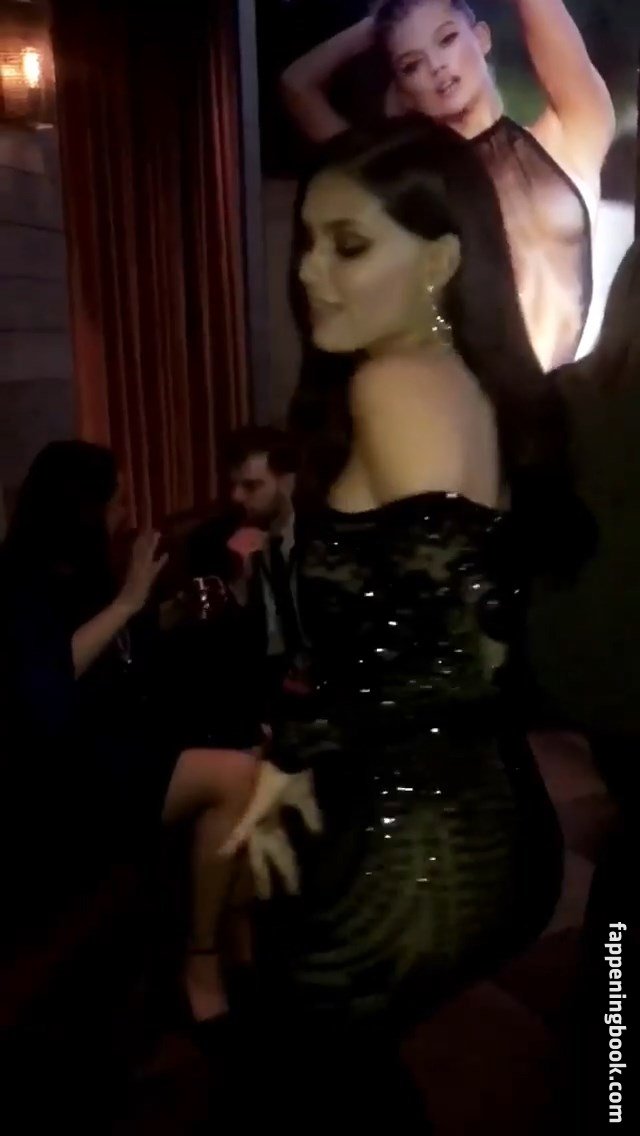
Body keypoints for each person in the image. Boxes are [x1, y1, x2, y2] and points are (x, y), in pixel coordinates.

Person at [219, 118, 590, 1124]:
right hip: (453, 810)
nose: (310, 272)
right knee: (332, 1078)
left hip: (422, 833)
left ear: (438, 262)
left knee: (296, 1076)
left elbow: (456, 658)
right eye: (308, 241)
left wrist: (294, 747)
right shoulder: (453, 380)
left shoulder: (397, 385)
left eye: (347, 245)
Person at [0, 441, 273, 1032]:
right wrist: (129, 601)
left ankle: (242, 944)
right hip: (63, 775)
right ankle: (202, 962)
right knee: (237, 776)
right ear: (84, 507)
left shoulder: (88, 568)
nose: (126, 514)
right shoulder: (19, 584)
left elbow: (123, 657)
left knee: (251, 744)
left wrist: (167, 611)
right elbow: (45, 684)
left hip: (116, 740)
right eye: (118, 501)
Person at [280, 0, 615, 371]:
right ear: (402, 91)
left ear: (482, 37)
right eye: (411, 65)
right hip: (467, 398)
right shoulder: (402, 181)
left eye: (447, 39)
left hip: (571, 398)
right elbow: (297, 85)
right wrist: (377, 24)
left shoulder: (568, 134)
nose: (436, 66)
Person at [189, 426, 307, 721]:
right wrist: (238, 582)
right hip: (249, 693)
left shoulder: (321, 534)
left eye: (251, 486)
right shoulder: (210, 541)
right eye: (233, 485)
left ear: (287, 481)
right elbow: (205, 646)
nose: (236, 496)